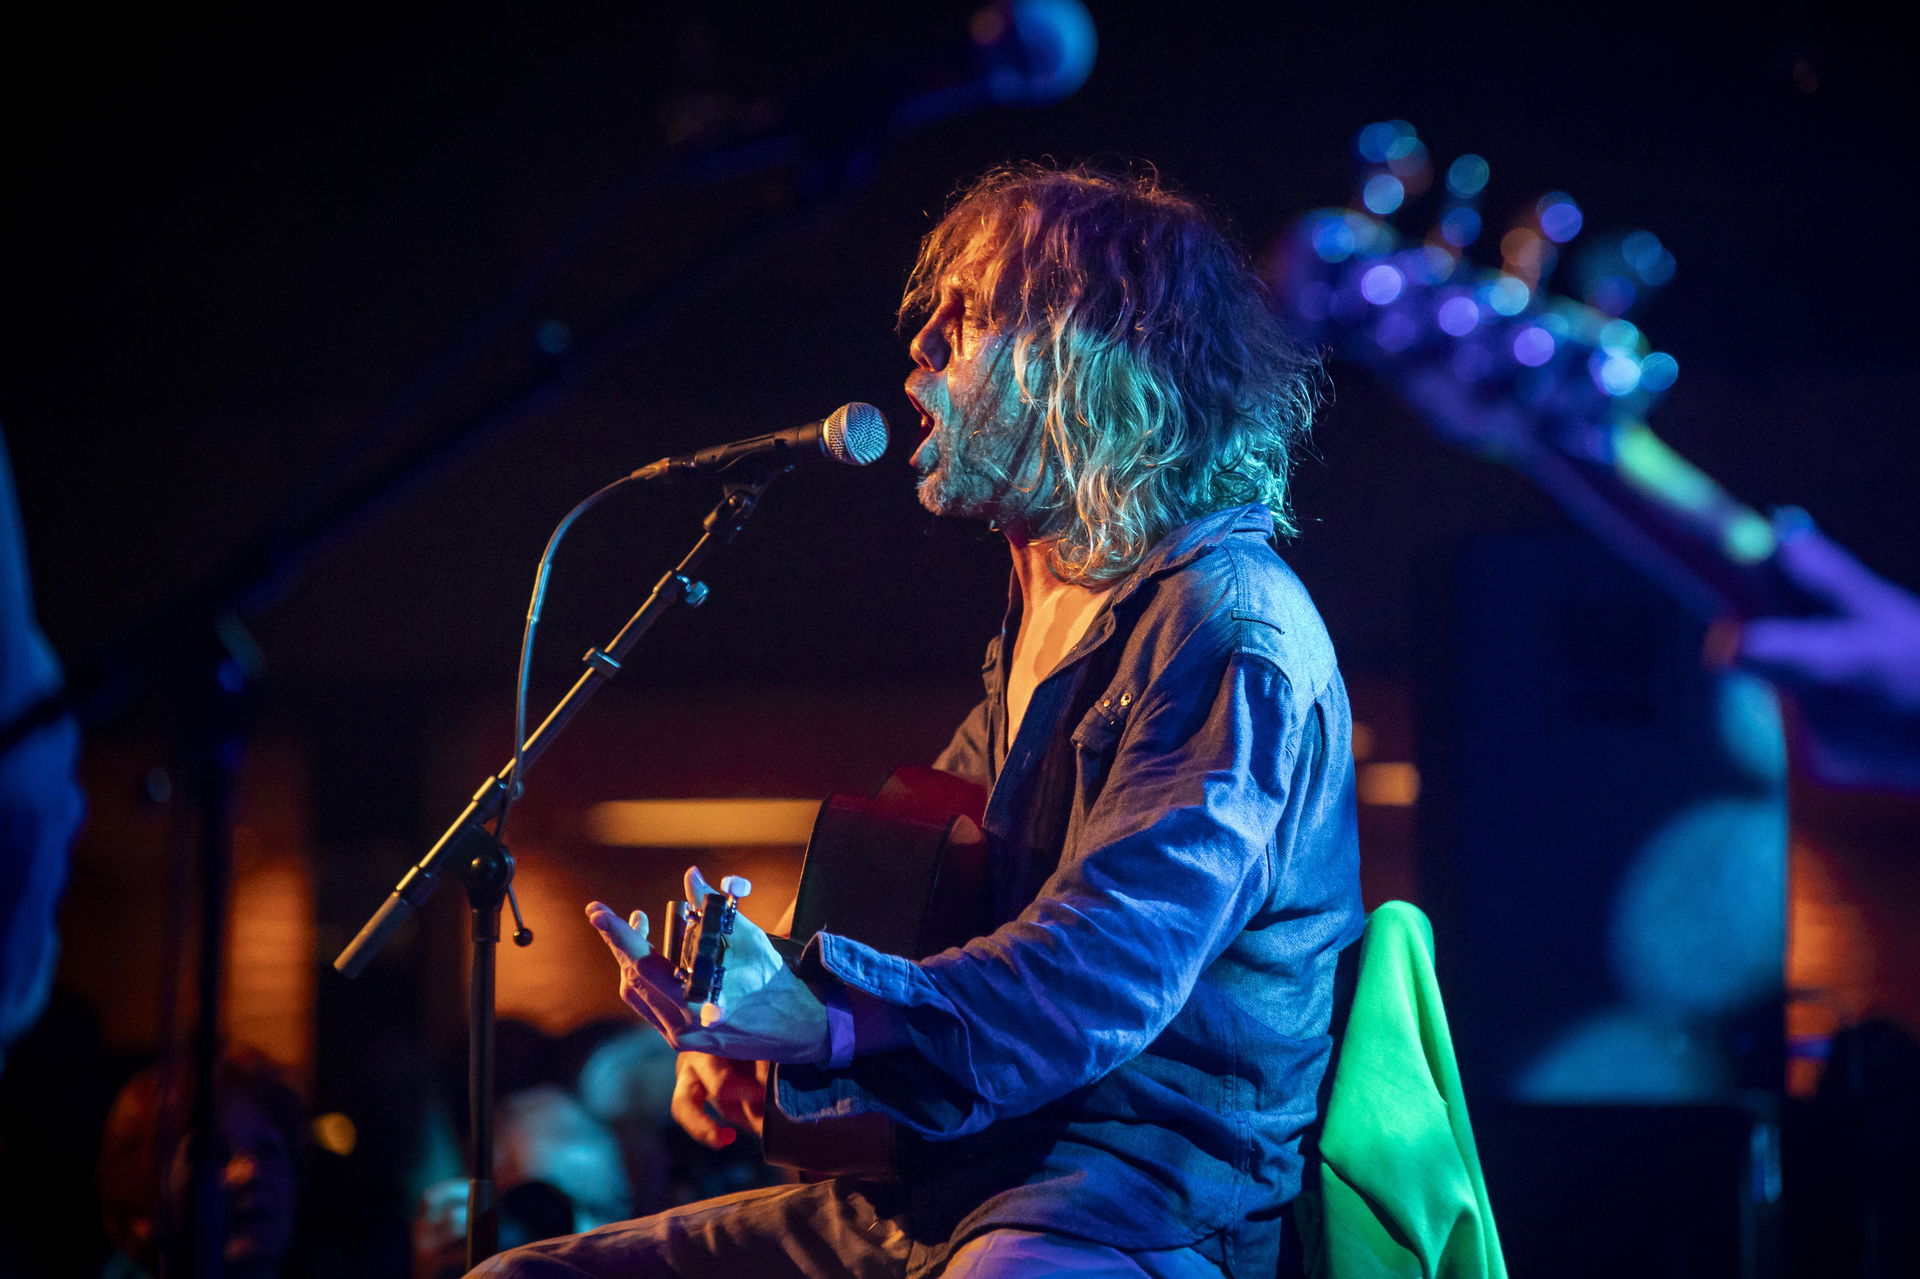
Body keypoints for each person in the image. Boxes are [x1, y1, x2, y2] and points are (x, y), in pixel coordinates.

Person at [476, 162, 1364, 1278]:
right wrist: (767, 1029)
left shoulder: (1227, 625)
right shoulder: (1040, 618)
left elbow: (1108, 959)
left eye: (971, 317)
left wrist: (833, 1024)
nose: (922, 357)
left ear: (1088, 360)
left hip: (1139, 1198)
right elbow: (923, 911)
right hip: (949, 1185)